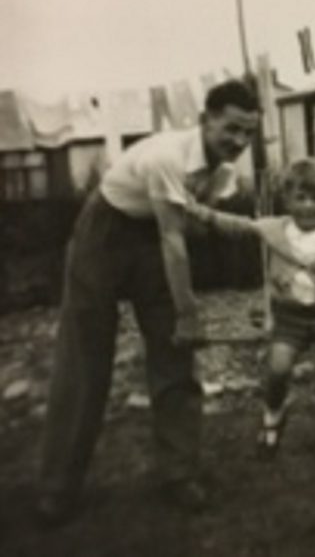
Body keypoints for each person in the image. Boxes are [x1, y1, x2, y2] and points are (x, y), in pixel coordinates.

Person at [36, 80, 260, 525]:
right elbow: (174, 239)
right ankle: (58, 488)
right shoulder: (165, 156)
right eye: (231, 129)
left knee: (175, 351)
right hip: (104, 234)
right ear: (205, 120)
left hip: (153, 240)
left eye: (248, 134)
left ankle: (180, 474)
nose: (238, 142)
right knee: (87, 362)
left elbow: (186, 226)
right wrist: (190, 312)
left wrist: (255, 232)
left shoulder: (222, 173)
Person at [186, 158, 315, 459]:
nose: (308, 206)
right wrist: (198, 211)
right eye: (301, 198)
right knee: (277, 369)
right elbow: (237, 226)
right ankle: (273, 415)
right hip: (289, 320)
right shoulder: (276, 230)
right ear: (287, 199)